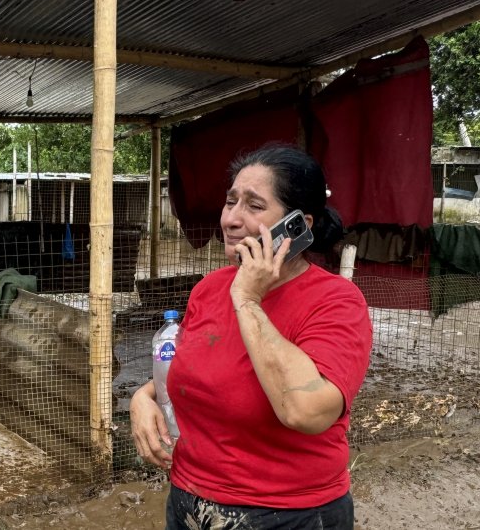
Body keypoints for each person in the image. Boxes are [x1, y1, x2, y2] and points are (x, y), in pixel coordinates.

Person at [131, 144, 373, 529]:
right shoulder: (209, 289)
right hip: (189, 501)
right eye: (230, 202)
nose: (231, 219)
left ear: (299, 226)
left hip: (288, 514)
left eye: (254, 206)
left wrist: (248, 298)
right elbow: (198, 364)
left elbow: (306, 412)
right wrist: (144, 397)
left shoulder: (337, 302)